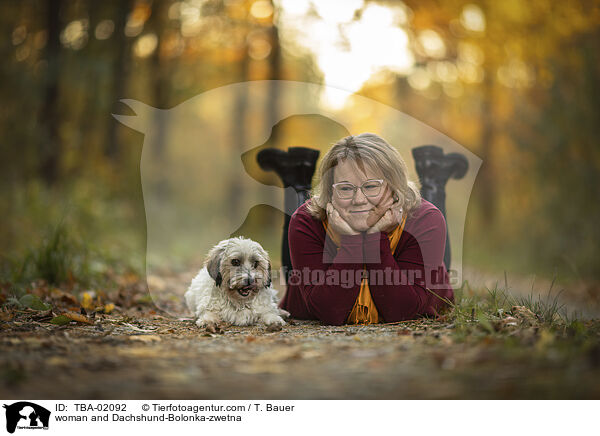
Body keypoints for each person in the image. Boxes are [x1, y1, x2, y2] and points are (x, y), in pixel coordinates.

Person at [279, 133, 454, 325]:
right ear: (330, 192)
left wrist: (374, 237)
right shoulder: (305, 221)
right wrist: (353, 241)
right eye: (345, 188)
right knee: (294, 233)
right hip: (308, 288)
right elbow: (328, 312)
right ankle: (296, 180)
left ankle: (433, 180)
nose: (359, 200)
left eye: (371, 186)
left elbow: (403, 311)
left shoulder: (426, 219)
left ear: (394, 187)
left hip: (417, 254)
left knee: (435, 238)